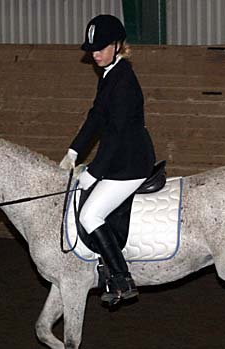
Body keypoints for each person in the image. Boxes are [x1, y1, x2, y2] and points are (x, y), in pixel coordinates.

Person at [59, 14, 156, 305]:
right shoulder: (109, 74)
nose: (95, 54)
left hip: (131, 162)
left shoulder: (123, 80)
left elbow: (115, 134)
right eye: (92, 49)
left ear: (117, 45)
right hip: (119, 158)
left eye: (101, 48)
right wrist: (74, 151)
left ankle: (122, 278)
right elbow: (97, 116)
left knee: (90, 215)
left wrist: (94, 172)